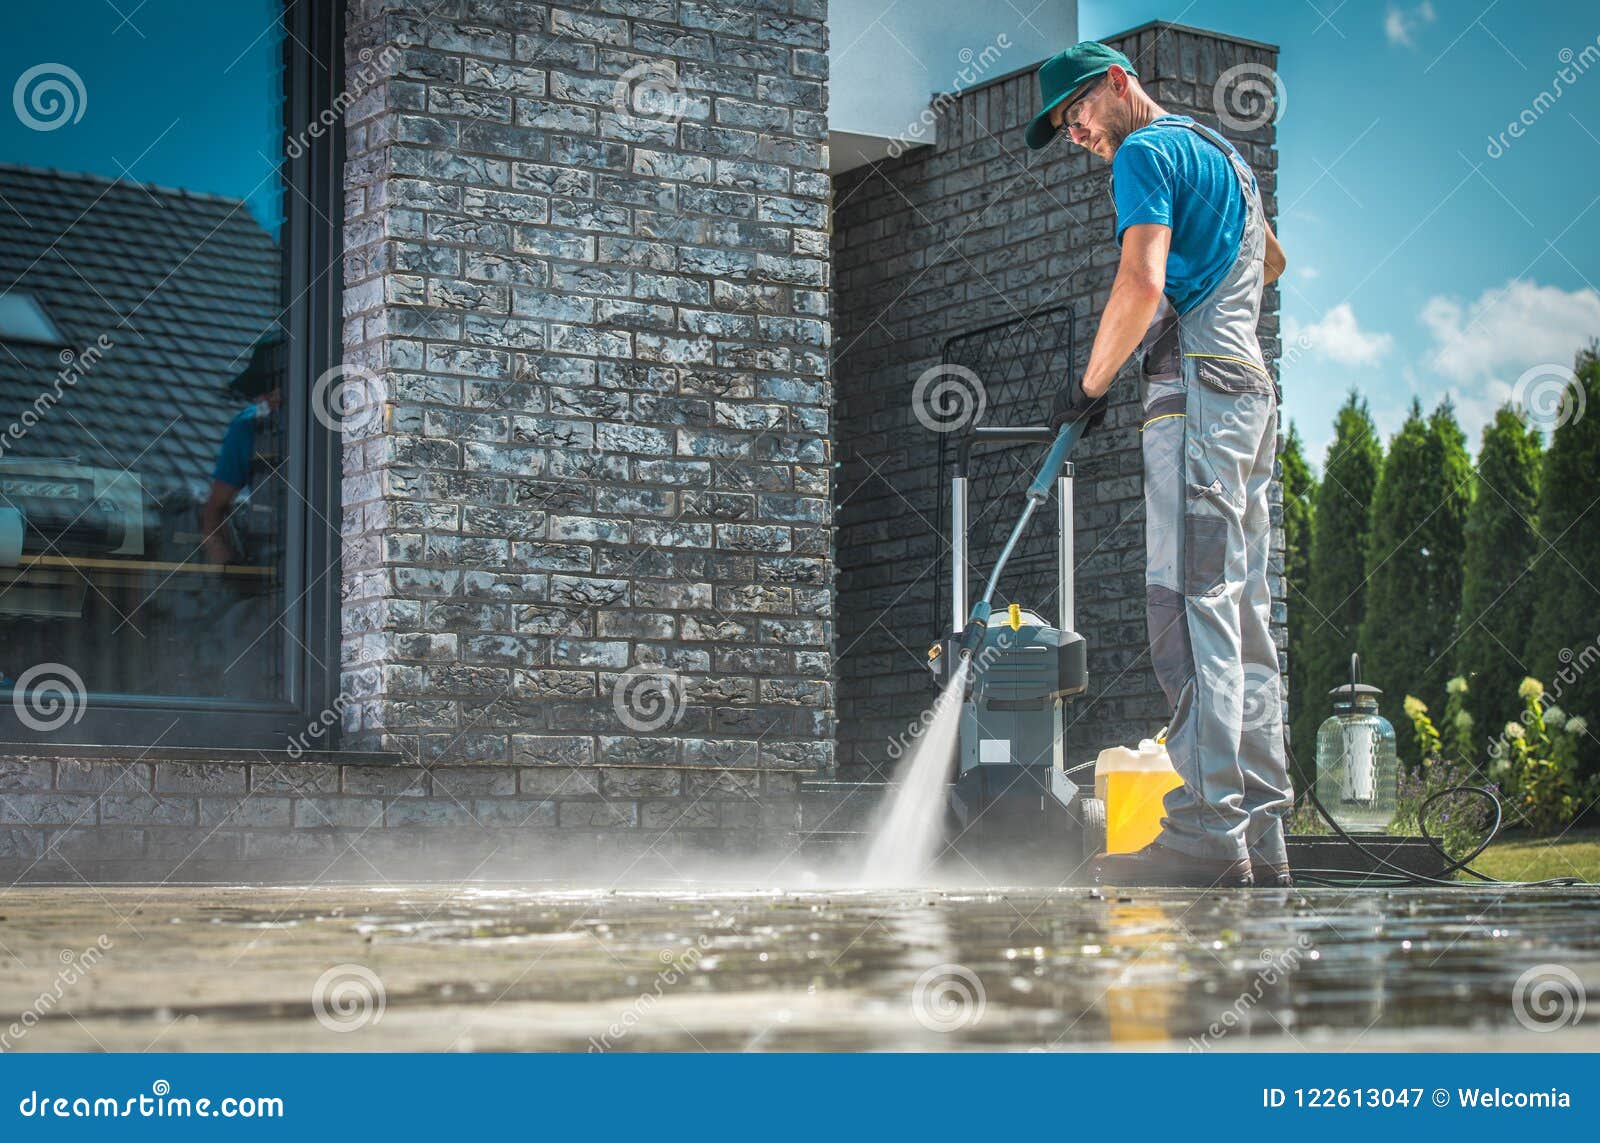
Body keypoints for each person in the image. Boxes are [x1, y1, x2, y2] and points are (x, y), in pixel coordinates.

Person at [1025, 42, 1293, 888]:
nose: (1076, 133)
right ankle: (1260, 828)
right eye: (1066, 127)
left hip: (1200, 399)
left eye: (1077, 112)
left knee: (1188, 604)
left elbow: (1139, 283)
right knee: (1242, 610)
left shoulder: (1143, 151)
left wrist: (1088, 386)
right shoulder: (1227, 159)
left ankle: (1208, 830)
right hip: (1249, 389)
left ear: (1117, 82)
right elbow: (1273, 263)